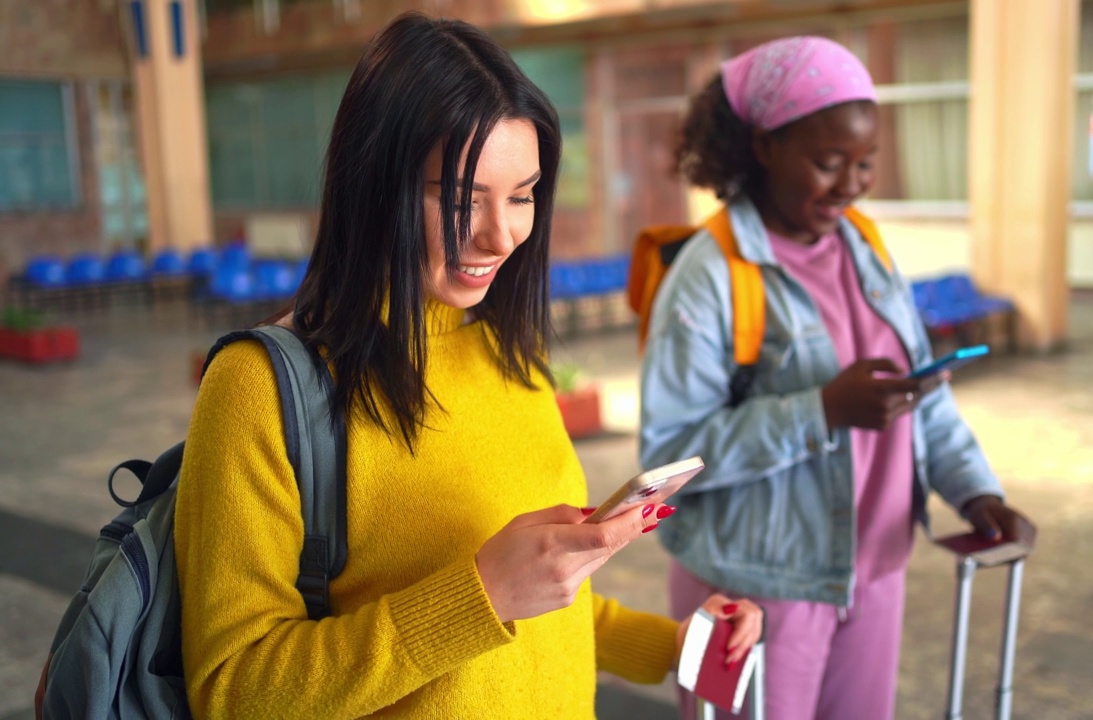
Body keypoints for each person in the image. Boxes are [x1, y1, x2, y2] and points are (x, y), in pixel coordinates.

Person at [174, 13, 761, 719]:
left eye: (523, 195)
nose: (502, 234)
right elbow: (232, 690)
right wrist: (479, 597)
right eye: (460, 199)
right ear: (374, 184)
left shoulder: (509, 357)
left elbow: (541, 608)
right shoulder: (260, 389)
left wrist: (679, 646)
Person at [638, 36, 1037, 720]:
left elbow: (919, 395)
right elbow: (666, 465)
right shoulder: (708, 277)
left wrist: (975, 492)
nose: (851, 184)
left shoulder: (864, 246)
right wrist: (819, 410)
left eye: (866, 162)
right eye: (828, 163)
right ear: (764, 147)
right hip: (752, 593)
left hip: (871, 575)